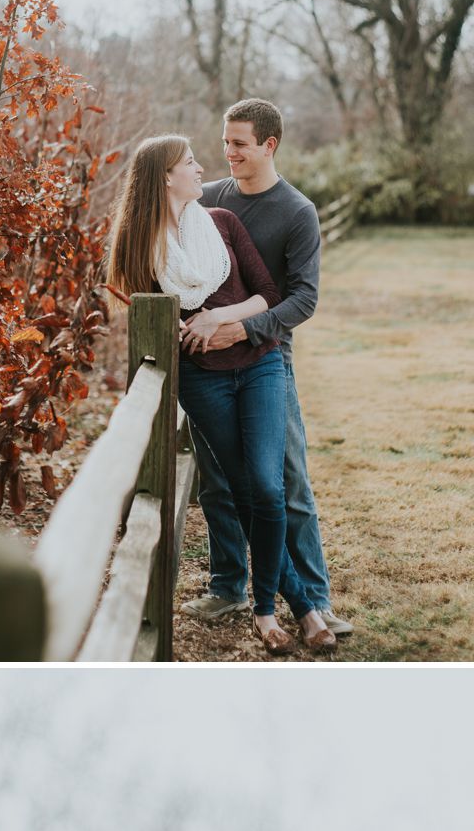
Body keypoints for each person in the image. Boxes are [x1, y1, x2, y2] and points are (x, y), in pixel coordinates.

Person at [104, 137, 335, 654]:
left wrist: (216, 317)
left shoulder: (223, 224)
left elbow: (268, 297)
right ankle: (293, 610)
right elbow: (150, 320)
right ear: (166, 177)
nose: (201, 168)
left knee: (268, 489)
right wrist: (193, 327)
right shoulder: (141, 250)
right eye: (190, 163)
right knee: (240, 491)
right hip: (204, 381)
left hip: (261, 365)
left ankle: (274, 606)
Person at [185, 99, 349, 642]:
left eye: (239, 144)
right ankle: (229, 585)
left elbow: (303, 298)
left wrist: (247, 329)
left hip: (269, 355)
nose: (227, 153)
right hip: (209, 363)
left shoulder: (296, 211)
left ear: (269, 144)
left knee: (288, 480)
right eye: (224, 142)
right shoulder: (206, 202)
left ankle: (315, 599)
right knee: (217, 482)